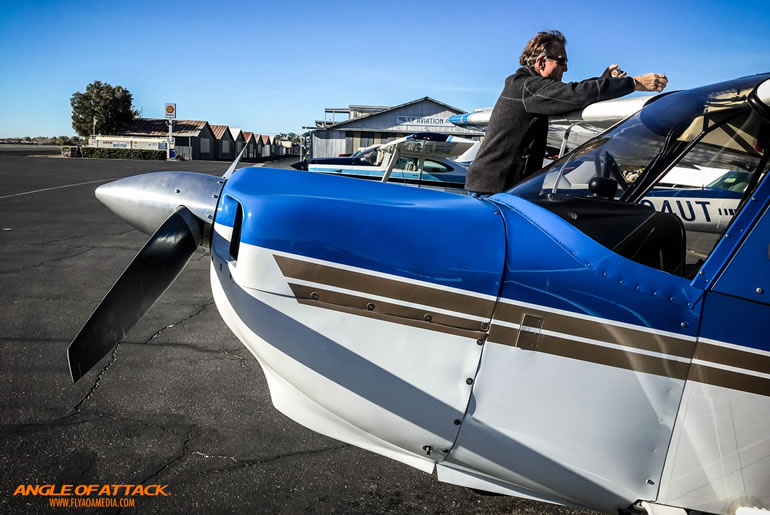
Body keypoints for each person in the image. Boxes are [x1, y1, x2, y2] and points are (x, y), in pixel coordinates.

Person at [464, 30, 667, 195]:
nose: (566, 68)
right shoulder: (526, 86)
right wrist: (633, 83)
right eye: (561, 62)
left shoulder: (527, 87)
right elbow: (573, 94)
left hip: (501, 188)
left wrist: (604, 80)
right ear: (541, 62)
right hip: (495, 190)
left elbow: (570, 93)